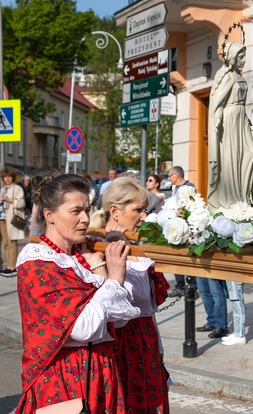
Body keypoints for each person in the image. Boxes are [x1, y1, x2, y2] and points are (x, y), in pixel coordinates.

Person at [14, 173, 140, 413]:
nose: (85, 219)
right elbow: (83, 328)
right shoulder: (38, 263)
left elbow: (120, 320)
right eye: (75, 211)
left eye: (87, 210)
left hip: (99, 370)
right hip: (64, 378)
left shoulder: (76, 257)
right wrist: (114, 278)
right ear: (50, 215)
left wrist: (107, 263)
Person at [98, 176, 171, 413]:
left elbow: (151, 299)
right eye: (138, 210)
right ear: (114, 211)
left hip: (146, 337)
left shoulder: (137, 244)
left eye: (144, 209)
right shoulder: (98, 250)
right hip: (121, 343)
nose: (143, 216)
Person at [206, 41, 253, 214]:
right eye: (241, 57)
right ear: (233, 58)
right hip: (229, 120)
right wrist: (217, 118)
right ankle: (230, 198)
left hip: (241, 119)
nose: (244, 60)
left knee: (250, 153)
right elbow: (217, 103)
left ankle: (242, 196)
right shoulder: (226, 76)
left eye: (244, 56)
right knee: (231, 158)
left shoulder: (239, 76)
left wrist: (245, 118)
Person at [0, 167, 26, 278]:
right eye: (5, 177)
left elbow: (21, 204)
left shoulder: (17, 188)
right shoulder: (3, 189)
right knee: (6, 243)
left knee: (12, 243)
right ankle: (8, 266)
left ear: (12, 178)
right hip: (1, 219)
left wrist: (9, 199)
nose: (7, 179)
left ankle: (12, 267)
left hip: (11, 219)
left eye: (9, 177)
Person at [167, 166, 198, 297]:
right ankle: (180, 286)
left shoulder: (189, 187)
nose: (168, 178)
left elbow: (191, 206)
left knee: (188, 257)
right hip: (176, 226)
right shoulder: (176, 189)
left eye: (170, 176)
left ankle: (192, 287)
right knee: (176, 256)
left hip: (186, 227)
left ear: (177, 175)